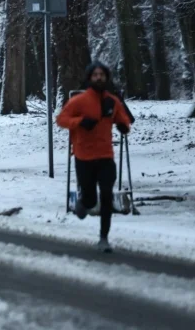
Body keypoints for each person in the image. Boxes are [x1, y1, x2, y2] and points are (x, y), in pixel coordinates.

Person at [56, 61, 133, 253]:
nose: (99, 78)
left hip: (106, 156)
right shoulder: (79, 101)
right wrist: (81, 121)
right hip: (84, 156)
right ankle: (83, 203)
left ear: (106, 78)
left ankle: (104, 238)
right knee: (91, 199)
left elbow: (123, 119)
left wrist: (123, 126)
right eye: (95, 75)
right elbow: (61, 120)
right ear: (89, 78)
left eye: (102, 75)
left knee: (106, 195)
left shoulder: (112, 101)